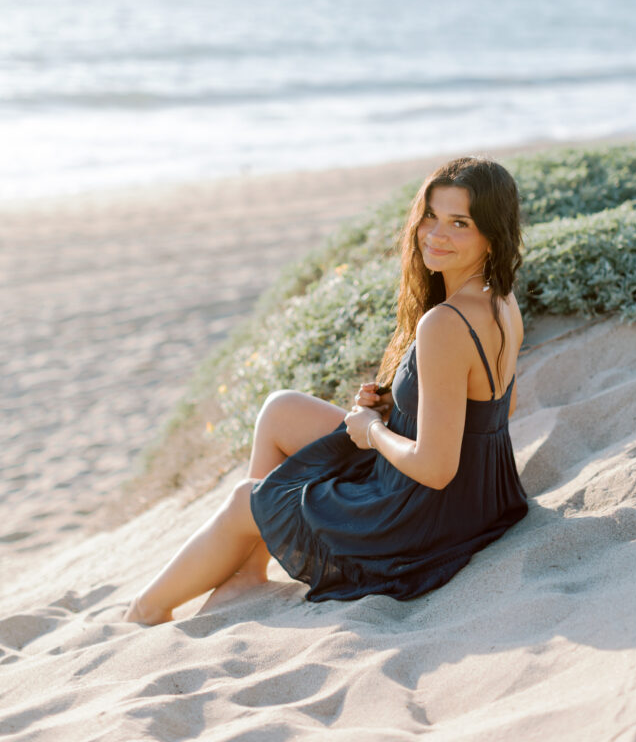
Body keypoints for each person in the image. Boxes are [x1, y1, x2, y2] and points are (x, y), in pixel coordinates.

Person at [124, 156, 528, 625]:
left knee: (245, 498)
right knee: (281, 410)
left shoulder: (445, 322)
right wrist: (400, 403)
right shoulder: (500, 299)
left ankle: (146, 610)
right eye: (430, 217)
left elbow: (436, 469)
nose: (435, 234)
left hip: (427, 515)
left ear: (491, 234)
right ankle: (249, 569)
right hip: (481, 495)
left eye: (459, 223)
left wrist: (372, 430)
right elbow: (502, 404)